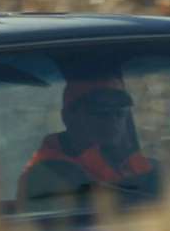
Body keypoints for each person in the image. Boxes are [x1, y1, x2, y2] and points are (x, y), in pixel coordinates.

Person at [17, 75, 159, 209]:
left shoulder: (130, 161)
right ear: (68, 117)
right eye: (101, 112)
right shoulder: (47, 174)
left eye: (119, 113)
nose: (112, 120)